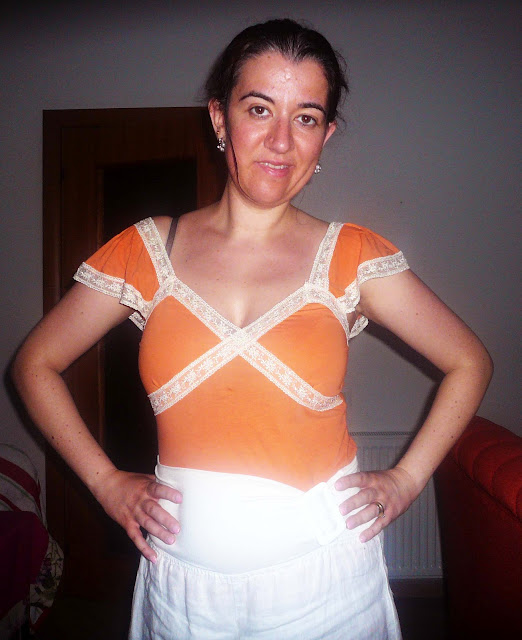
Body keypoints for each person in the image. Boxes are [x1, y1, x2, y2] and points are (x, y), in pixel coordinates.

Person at [12, 18, 492, 640]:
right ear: (219, 118)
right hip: (182, 591)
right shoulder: (146, 250)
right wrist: (105, 483)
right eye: (259, 109)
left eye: (306, 118)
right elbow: (35, 363)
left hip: (328, 584)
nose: (281, 141)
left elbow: (469, 361)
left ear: (326, 136)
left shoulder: (353, 255)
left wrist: (405, 479)